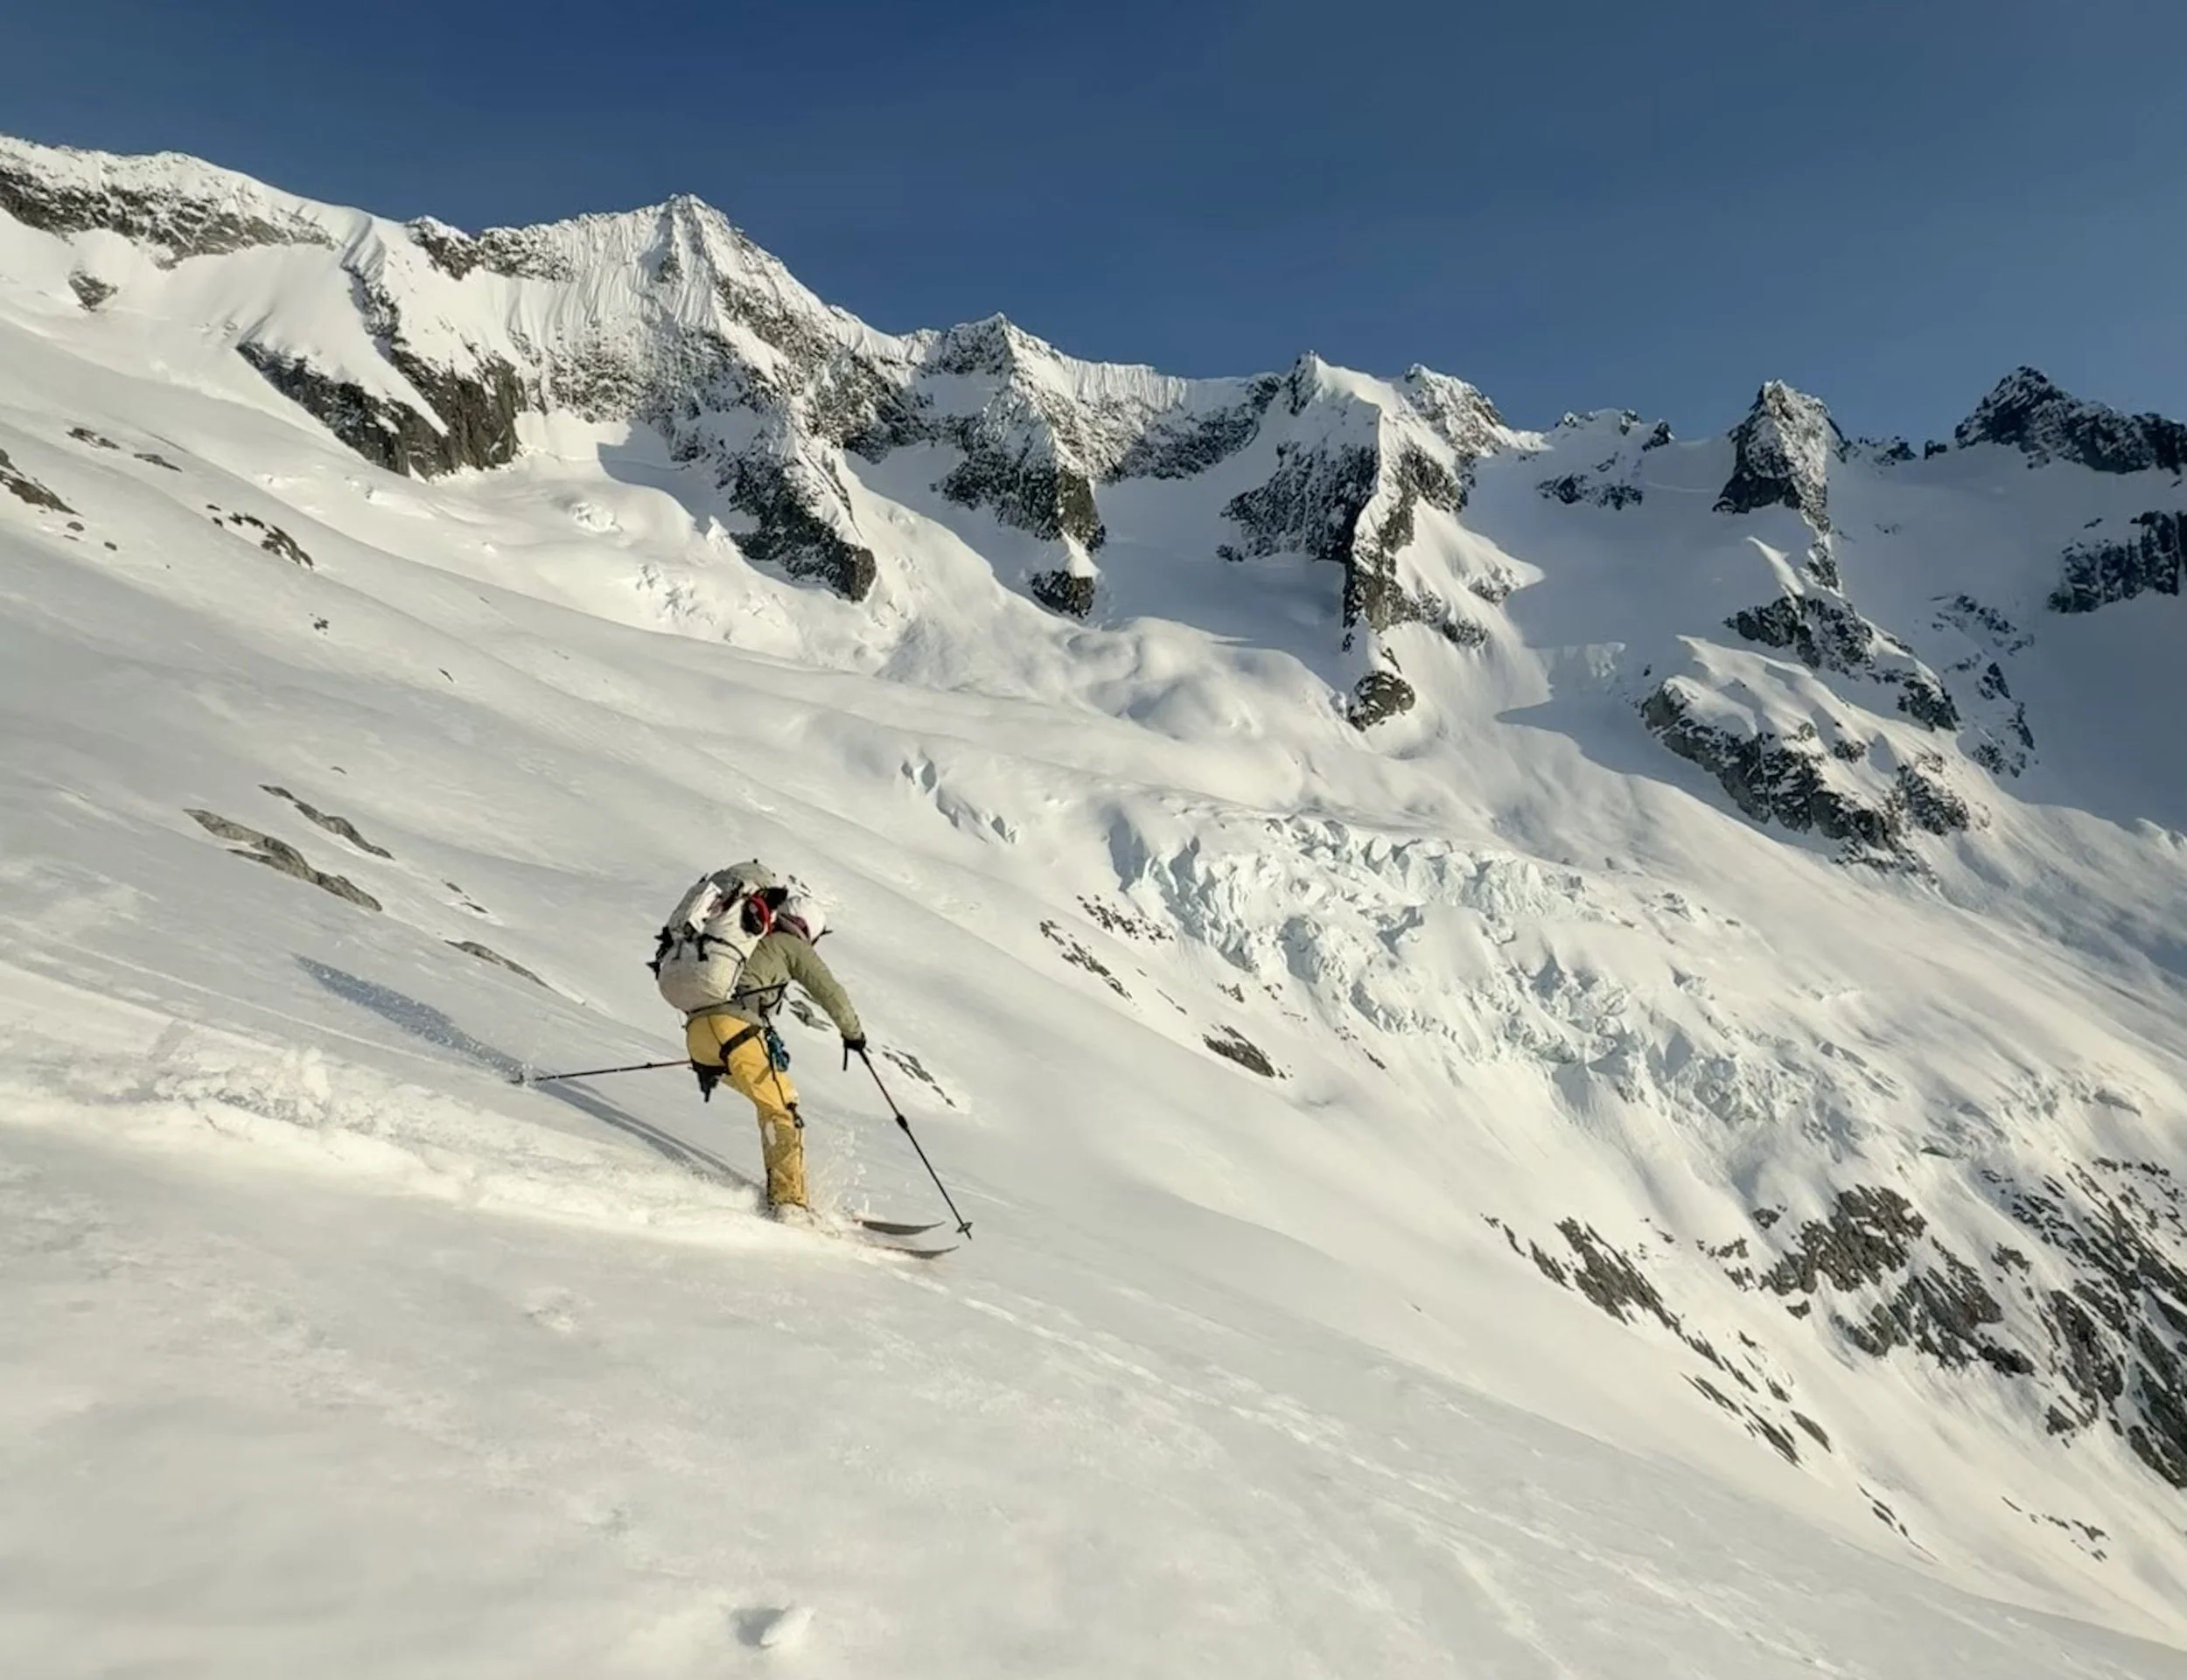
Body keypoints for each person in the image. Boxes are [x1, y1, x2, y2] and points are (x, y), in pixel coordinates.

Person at [668, 862, 865, 1215]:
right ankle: (790, 1203)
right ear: (810, 931)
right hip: (735, 1032)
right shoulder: (790, 944)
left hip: (699, 1035)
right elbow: (830, 992)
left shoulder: (746, 938)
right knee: (782, 1108)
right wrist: (854, 1035)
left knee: (769, 1102)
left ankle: (782, 1189)